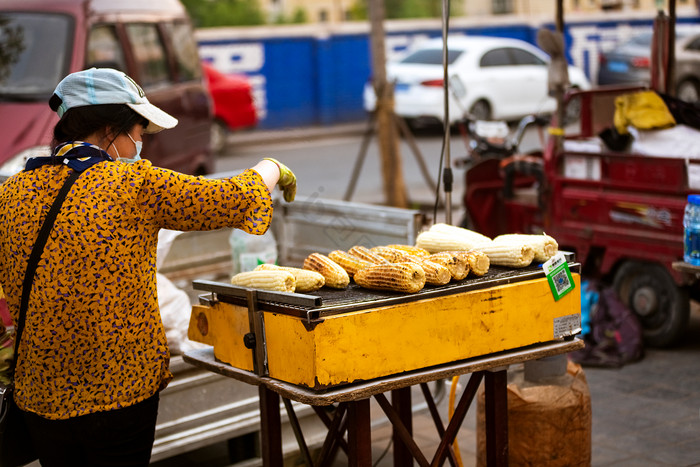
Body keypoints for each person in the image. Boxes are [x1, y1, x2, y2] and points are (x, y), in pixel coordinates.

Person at [0, 67, 296, 466]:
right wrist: (272, 168)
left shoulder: (11, 192)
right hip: (119, 391)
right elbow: (231, 198)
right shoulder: (133, 184)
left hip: (39, 394)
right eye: (139, 131)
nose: (141, 143)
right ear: (110, 129)